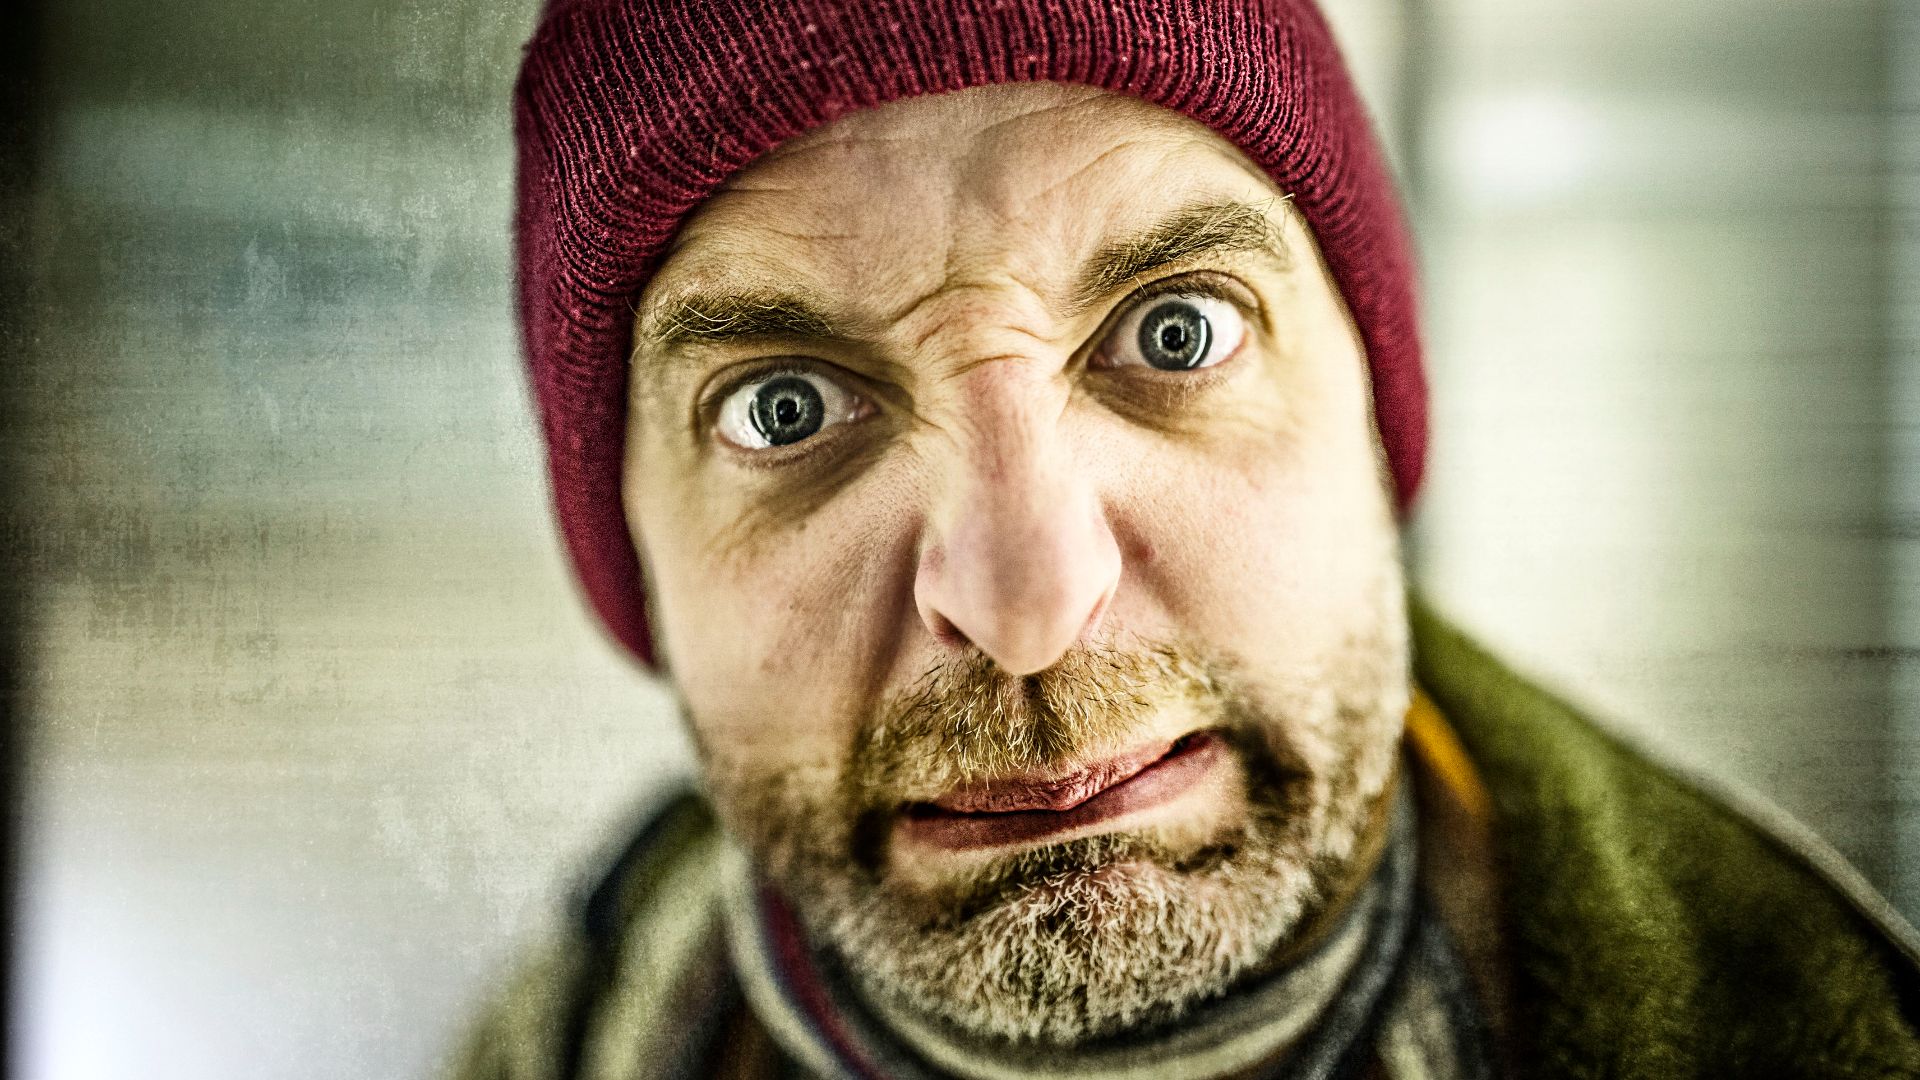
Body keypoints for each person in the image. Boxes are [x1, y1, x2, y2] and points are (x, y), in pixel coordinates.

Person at [452, 1, 1920, 1076]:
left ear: (1374, 413)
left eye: (1178, 331)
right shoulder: (570, 1021)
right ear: (635, 552)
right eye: (783, 410)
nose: (1031, 608)